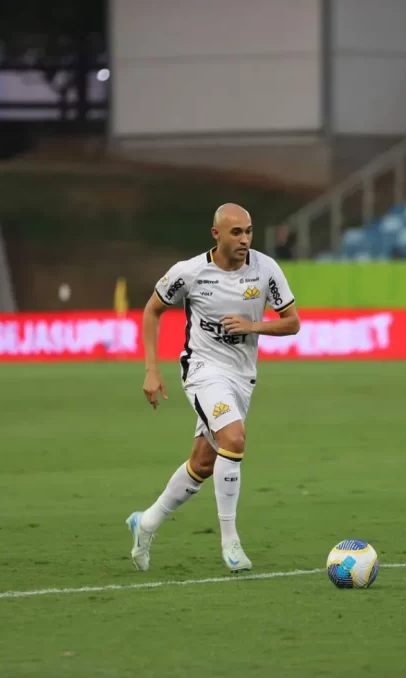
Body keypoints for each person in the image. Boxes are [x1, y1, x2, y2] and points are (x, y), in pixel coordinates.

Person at [129, 203, 301, 574]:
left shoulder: (265, 268)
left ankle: (145, 524)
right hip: (202, 371)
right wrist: (151, 370)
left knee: (204, 463)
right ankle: (230, 541)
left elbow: (292, 323)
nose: (245, 239)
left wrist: (251, 326)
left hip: (242, 378)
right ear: (216, 235)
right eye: (236, 232)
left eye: (249, 231)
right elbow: (151, 310)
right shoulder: (189, 272)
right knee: (234, 439)